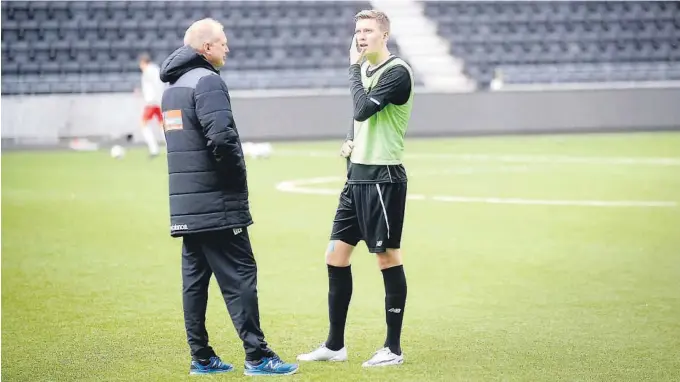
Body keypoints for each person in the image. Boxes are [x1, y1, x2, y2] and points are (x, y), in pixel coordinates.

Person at [158, 18, 298, 376]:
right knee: (240, 277)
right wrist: (236, 180)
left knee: (195, 281)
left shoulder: (173, 85)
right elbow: (221, 138)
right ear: (205, 48)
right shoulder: (208, 82)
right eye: (222, 42)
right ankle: (258, 356)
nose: (227, 48)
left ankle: (201, 358)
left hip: (187, 203)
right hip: (217, 201)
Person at [297, 10, 414, 367]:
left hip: (383, 178)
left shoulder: (397, 72)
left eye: (368, 31)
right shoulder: (366, 71)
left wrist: (351, 68)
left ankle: (392, 348)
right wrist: (350, 140)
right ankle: (335, 345)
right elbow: (358, 117)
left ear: (384, 36)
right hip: (357, 179)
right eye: (358, 31)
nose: (361, 37)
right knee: (335, 255)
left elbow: (363, 108)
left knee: (386, 257)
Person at [137, 53, 164, 157]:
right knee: (162, 125)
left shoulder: (148, 71)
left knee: (143, 124)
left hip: (152, 102)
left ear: (143, 62)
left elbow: (154, 86)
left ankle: (154, 149)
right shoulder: (156, 69)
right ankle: (168, 147)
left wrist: (150, 99)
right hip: (159, 101)